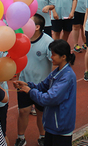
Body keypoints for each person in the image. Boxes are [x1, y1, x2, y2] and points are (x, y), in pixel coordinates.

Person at [13, 39, 77, 146]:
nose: (51, 57)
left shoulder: (67, 76)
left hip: (60, 127)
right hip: (52, 125)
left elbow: (49, 98)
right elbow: (42, 86)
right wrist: (27, 85)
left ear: (63, 57)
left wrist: (30, 91)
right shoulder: (57, 72)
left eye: (54, 54)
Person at [14, 14, 53, 146]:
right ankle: (20, 137)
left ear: (37, 27)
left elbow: (55, 61)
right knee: (23, 111)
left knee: (41, 112)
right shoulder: (21, 39)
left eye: (29, 22)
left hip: (41, 86)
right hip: (24, 83)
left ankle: (42, 136)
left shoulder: (48, 42)